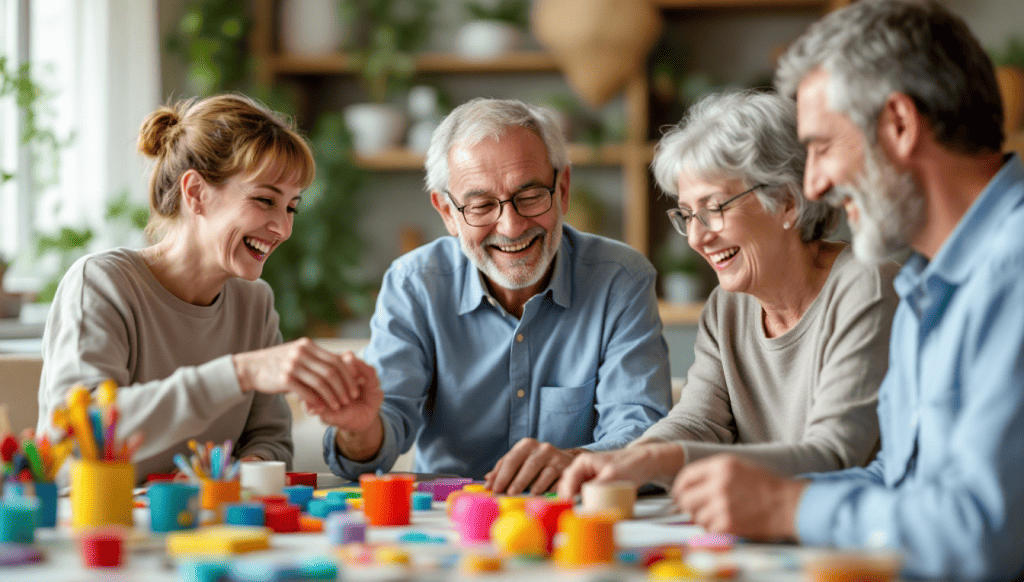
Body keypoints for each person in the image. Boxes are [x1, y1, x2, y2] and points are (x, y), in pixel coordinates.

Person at [667, 0, 1024, 581]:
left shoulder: (1013, 273)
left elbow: (984, 535)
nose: (814, 184)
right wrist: (758, 495)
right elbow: (895, 479)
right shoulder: (924, 284)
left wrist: (789, 506)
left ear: (900, 126)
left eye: (823, 146)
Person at [318, 98, 672, 494]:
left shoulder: (620, 279)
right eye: (482, 205)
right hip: (448, 523)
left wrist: (577, 460)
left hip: (571, 515)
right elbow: (379, 436)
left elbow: (640, 433)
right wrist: (360, 429)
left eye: (530, 195)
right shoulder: (415, 283)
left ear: (563, 189)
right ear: (448, 213)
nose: (511, 225)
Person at [558, 91, 899, 498]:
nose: (697, 237)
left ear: (787, 203)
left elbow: (834, 455)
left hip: (849, 544)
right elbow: (699, 422)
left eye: (714, 208)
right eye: (687, 214)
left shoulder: (867, 285)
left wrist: (662, 461)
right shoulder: (728, 307)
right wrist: (628, 459)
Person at [37, 93, 380, 483]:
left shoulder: (254, 303)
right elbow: (84, 431)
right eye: (264, 200)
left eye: (290, 207)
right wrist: (238, 373)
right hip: (94, 524)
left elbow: (269, 440)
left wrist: (243, 472)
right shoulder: (102, 282)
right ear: (195, 193)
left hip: (203, 528)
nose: (283, 228)